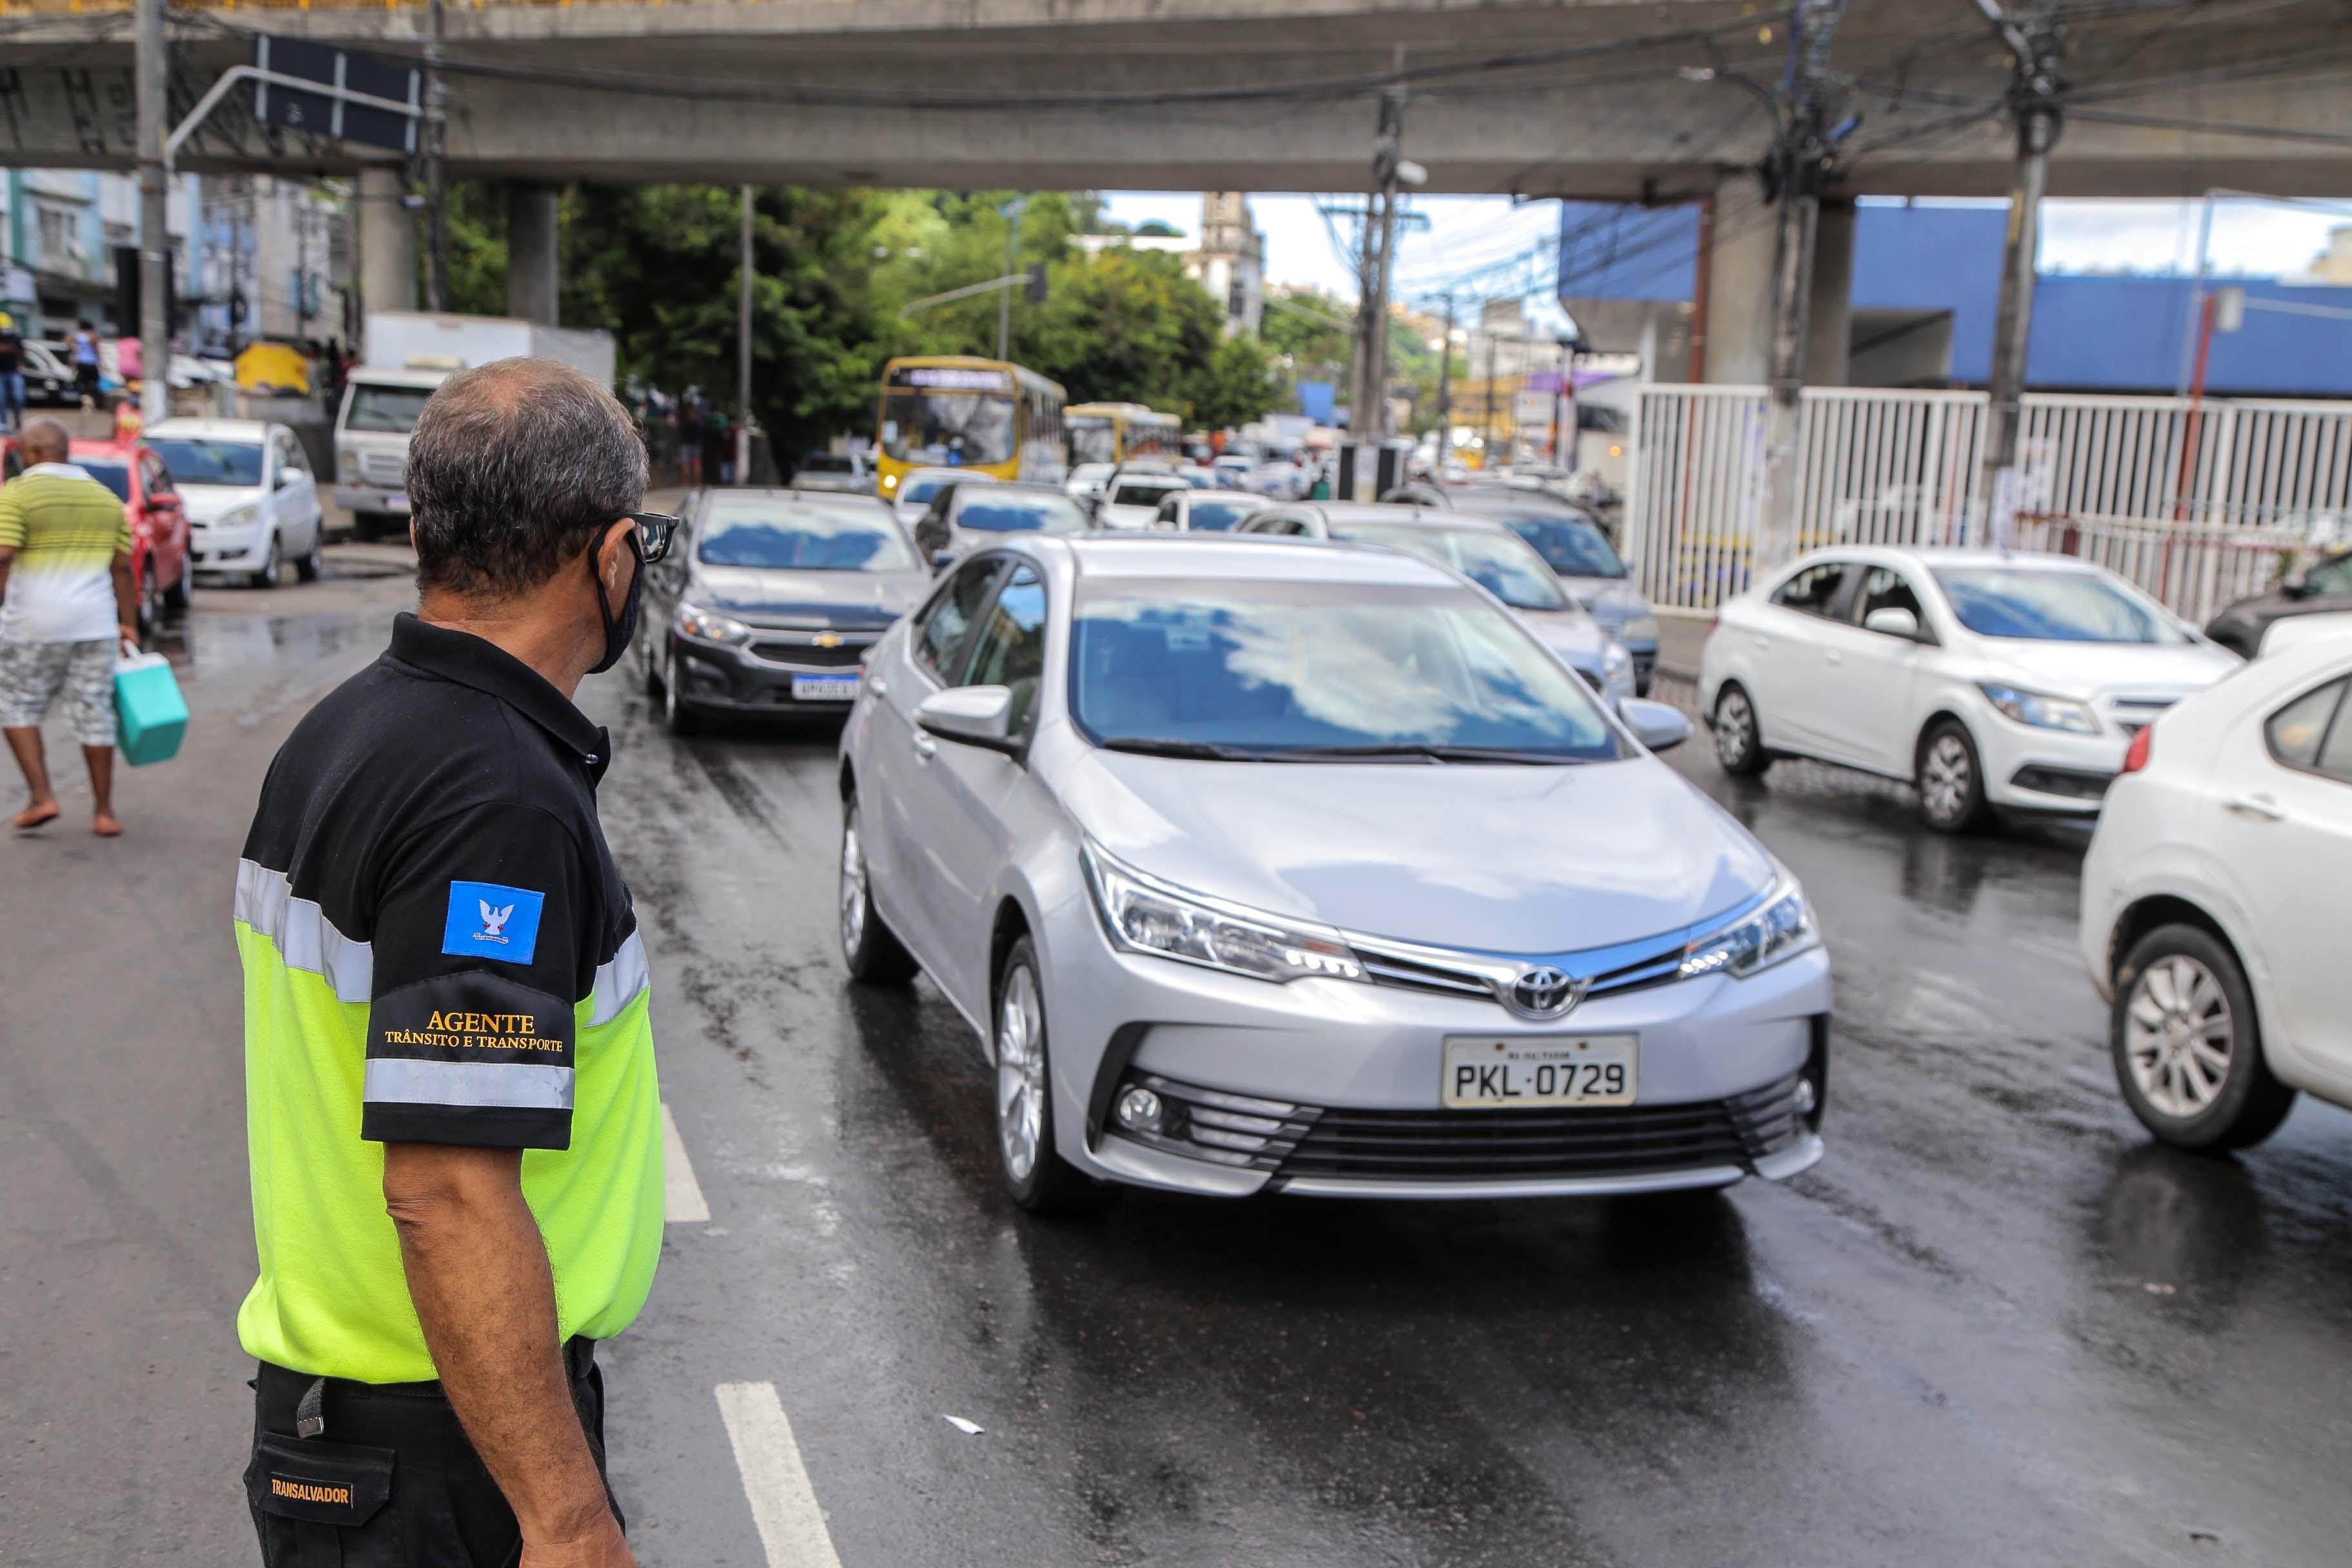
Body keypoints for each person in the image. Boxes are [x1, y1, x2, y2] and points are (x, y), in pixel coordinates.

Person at [234, 358, 665, 1567]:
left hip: (364, 1434)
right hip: (441, 1453)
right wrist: (567, 1519)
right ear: (613, 555)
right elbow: (448, 1190)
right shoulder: (494, 800)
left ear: (423, 529)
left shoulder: (349, 729)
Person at [0, 418, 139, 836]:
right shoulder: (105, 498)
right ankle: (104, 812)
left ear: (34, 452)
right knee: (94, 711)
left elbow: (4, 555)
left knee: (18, 706)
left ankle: (42, 796)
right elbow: (123, 569)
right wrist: (128, 624)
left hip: (33, 623)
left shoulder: (17, 493)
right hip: (94, 623)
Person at [0, 311, 24, 433]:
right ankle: (3, 427)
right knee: (1, 400)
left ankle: (18, 422)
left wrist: (9, 348)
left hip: (14, 372)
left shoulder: (14, 337)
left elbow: (22, 353)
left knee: (18, 398)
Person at [69, 320, 101, 407]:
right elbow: (97, 350)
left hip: (81, 362)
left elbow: (68, 341)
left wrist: (74, 349)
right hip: (91, 362)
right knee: (95, 381)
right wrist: (100, 361)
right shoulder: (92, 336)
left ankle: (85, 398)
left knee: (83, 381)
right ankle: (91, 398)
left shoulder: (78, 336)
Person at [676, 398, 703, 488]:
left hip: (686, 446)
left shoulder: (685, 423)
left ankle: (686, 483)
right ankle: (697, 483)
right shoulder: (699, 423)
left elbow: (681, 433)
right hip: (696, 446)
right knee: (697, 465)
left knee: (686, 464)